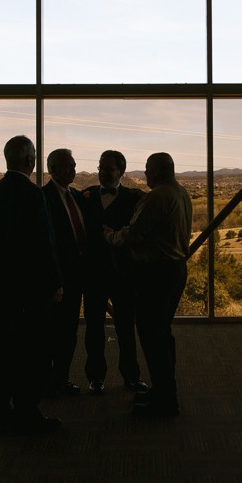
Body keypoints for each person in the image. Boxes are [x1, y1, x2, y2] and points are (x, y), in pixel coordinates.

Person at [0, 135, 64, 433]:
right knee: (33, 351)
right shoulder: (32, 194)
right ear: (31, 160)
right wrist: (55, 281)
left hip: (6, 285)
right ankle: (27, 412)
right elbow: (43, 243)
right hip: (33, 288)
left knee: (5, 348)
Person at [107, 152, 193, 418]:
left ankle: (166, 400)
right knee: (162, 333)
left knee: (152, 335)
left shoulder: (156, 197)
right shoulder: (182, 193)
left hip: (155, 272)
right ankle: (164, 389)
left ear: (155, 171)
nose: (144, 174)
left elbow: (134, 234)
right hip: (175, 269)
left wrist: (109, 235)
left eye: (146, 169)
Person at [80, 150, 148, 395]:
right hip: (93, 274)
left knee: (126, 328)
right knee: (94, 328)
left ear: (121, 171)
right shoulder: (84, 197)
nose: (102, 173)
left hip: (124, 276)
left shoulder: (134, 198)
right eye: (100, 168)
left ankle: (131, 376)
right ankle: (96, 377)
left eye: (108, 169)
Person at [43, 148, 87, 396]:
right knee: (52, 333)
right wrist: (54, 279)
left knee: (69, 332)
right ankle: (46, 381)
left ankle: (61, 379)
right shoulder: (43, 198)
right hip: (56, 280)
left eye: (74, 164)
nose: (73, 169)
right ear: (53, 169)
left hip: (77, 277)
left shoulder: (78, 197)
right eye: (68, 166)